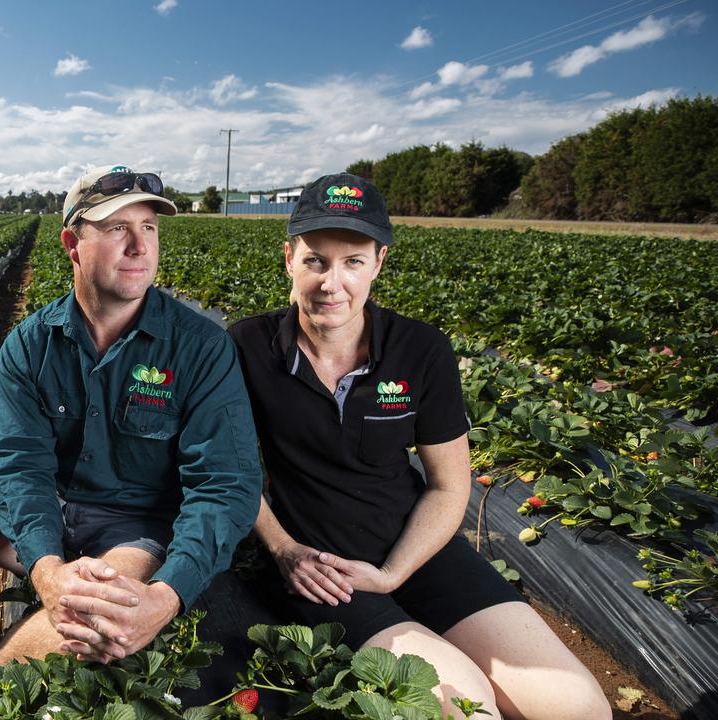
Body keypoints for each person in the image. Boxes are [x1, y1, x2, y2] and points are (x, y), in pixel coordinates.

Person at [226, 173, 611, 719]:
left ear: (378, 262)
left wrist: (393, 573)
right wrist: (284, 549)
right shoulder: (245, 346)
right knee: (465, 710)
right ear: (289, 258)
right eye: (316, 260)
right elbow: (227, 469)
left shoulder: (421, 349)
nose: (331, 283)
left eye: (352, 261)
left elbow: (450, 484)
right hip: (319, 567)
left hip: (416, 550)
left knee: (579, 709)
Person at [0, 164, 263, 720]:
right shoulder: (30, 343)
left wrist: (166, 596)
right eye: (116, 228)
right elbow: (18, 466)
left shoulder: (200, 347)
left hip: (138, 527)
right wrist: (45, 567)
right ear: (72, 244)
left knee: (94, 613)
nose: (140, 245)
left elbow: (226, 486)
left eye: (150, 227)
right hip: (54, 508)